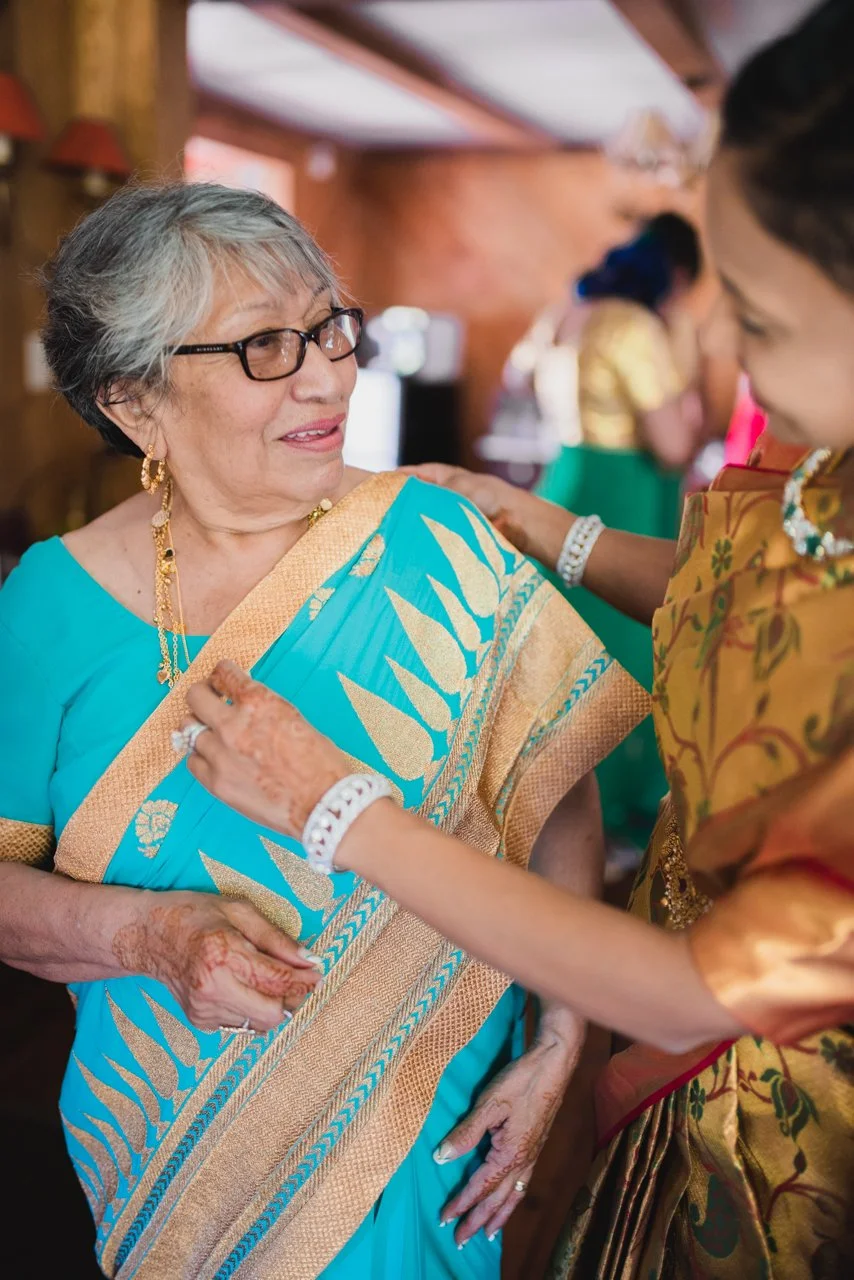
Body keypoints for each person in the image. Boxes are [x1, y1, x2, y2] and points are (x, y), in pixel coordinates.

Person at [180, 2, 854, 1274]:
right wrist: (546, 526)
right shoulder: (824, 473)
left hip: (792, 1123)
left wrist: (336, 808)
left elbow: (692, 985)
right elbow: (754, 596)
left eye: (758, 318)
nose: (721, 342)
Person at [0, 182, 645, 1279]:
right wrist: (149, 938)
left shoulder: (435, 534)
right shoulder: (48, 607)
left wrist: (559, 1035)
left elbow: (554, 788)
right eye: (264, 346)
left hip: (441, 1132)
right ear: (135, 402)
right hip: (182, 1170)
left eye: (330, 327)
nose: (328, 376)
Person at [534, 213, 705, 849]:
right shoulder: (634, 326)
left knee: (567, 654)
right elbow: (672, 444)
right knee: (627, 655)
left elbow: (516, 380)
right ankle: (617, 813)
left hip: (564, 482)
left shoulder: (566, 312)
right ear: (677, 275)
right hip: (622, 497)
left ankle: (551, 810)